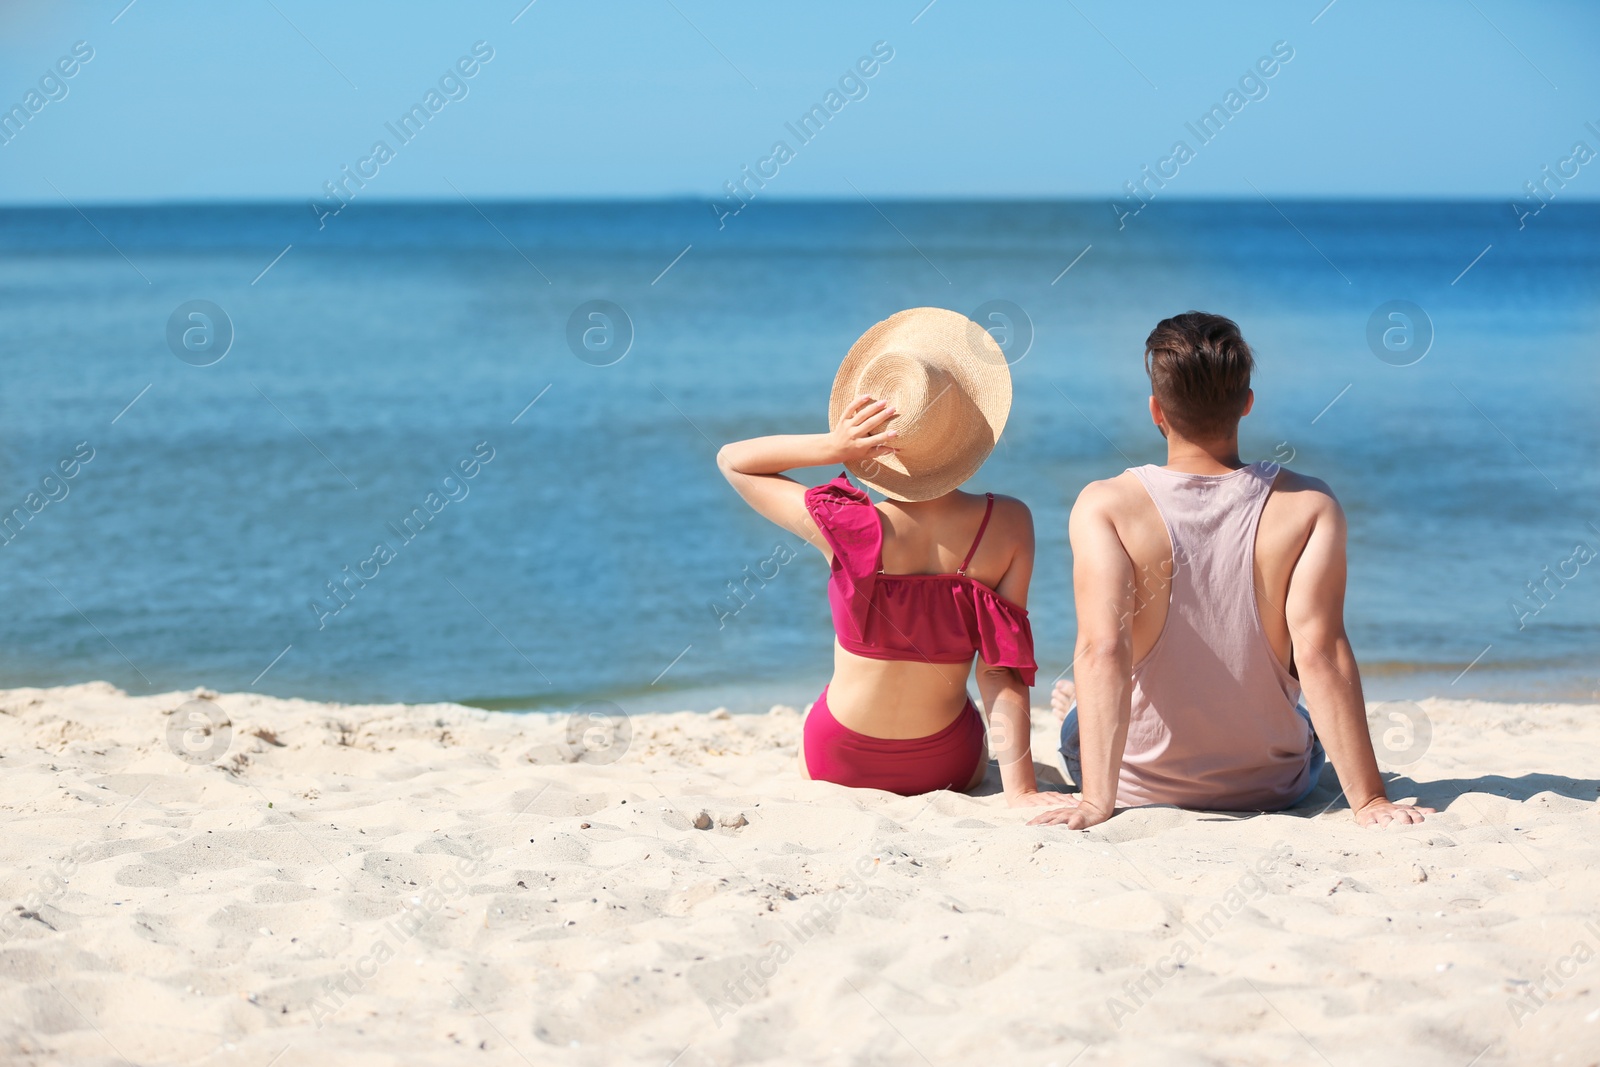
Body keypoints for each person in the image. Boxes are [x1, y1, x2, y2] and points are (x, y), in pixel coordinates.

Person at [1032, 312, 1433, 830]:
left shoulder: (1105, 504)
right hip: (1272, 782)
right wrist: (1370, 800)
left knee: (1076, 711)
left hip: (1136, 785)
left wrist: (1095, 804)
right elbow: (1320, 650)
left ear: (1156, 411)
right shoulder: (1310, 505)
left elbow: (1103, 649)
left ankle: (1071, 705)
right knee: (1300, 720)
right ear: (1246, 403)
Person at [717, 307, 1070, 807]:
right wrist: (1022, 792)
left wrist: (832, 446)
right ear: (964, 431)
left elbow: (732, 461)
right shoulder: (1008, 523)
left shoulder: (845, 524)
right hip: (944, 763)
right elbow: (999, 670)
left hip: (838, 759)